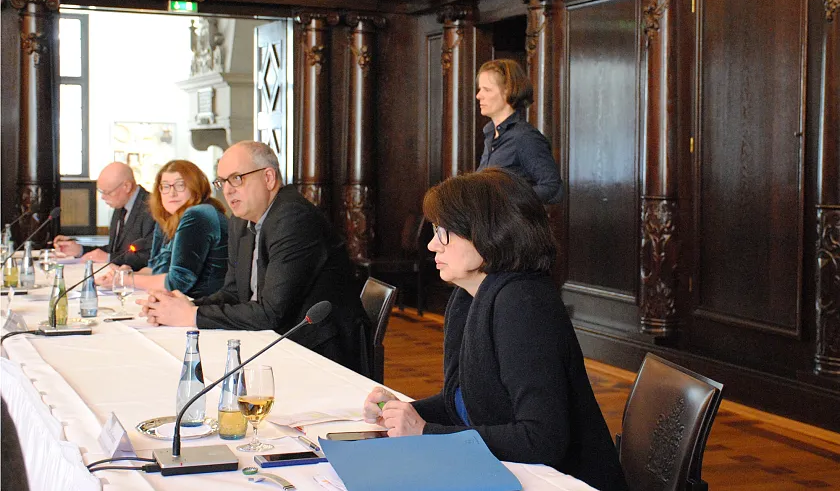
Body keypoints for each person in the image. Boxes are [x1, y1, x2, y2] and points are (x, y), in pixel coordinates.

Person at [362, 168, 627, 491]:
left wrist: (425, 432)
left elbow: (542, 438)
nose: (432, 244)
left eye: (444, 231)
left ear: (488, 233)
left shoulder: (523, 304)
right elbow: (464, 403)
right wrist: (403, 413)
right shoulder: (469, 297)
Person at [139, 141, 369, 374]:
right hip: (273, 341)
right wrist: (182, 306)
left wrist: (193, 316)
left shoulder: (294, 219)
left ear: (268, 178)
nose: (227, 190)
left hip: (320, 354)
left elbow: (271, 313)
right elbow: (232, 293)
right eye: (222, 182)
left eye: (236, 178)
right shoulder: (241, 221)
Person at [97, 160, 228, 299]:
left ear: (196, 187)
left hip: (205, 308)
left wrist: (126, 280)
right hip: (182, 305)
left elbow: (177, 282)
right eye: (165, 186)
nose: (171, 193)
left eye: (180, 185)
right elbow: (155, 269)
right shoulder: (168, 219)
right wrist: (125, 274)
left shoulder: (200, 215)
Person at [475, 59, 563, 204]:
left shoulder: (524, 137)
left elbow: (552, 186)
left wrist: (508, 203)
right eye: (479, 89)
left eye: (487, 89)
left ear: (508, 90)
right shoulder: (491, 134)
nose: (479, 96)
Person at [53, 162, 154, 270]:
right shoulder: (122, 204)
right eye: (101, 192)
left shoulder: (152, 208)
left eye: (107, 192)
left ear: (127, 186)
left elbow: (149, 257)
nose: (103, 197)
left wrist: (109, 258)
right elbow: (114, 250)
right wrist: (80, 250)